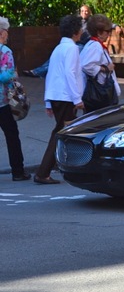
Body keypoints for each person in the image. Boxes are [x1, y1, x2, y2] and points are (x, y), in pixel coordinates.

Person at [33, 15, 85, 184]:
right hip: (66, 97)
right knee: (61, 133)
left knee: (62, 131)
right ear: (76, 32)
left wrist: (48, 101)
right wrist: (77, 98)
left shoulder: (58, 49)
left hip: (57, 96)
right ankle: (43, 172)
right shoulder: (72, 49)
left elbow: (51, 75)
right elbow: (70, 74)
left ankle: (51, 168)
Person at [23, 4, 93, 78]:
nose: (84, 13)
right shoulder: (76, 22)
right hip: (71, 42)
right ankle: (37, 72)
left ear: (89, 12)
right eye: (82, 11)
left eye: (86, 11)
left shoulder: (91, 23)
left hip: (82, 45)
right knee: (56, 56)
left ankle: (37, 72)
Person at [0, 17, 31, 182]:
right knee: (12, 135)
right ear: (3, 32)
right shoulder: (5, 51)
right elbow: (6, 76)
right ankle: (18, 171)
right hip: (3, 101)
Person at [80, 14, 121, 113]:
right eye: (107, 31)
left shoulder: (91, 44)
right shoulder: (96, 46)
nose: (109, 34)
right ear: (99, 32)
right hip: (100, 94)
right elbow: (87, 65)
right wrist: (106, 68)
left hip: (98, 93)